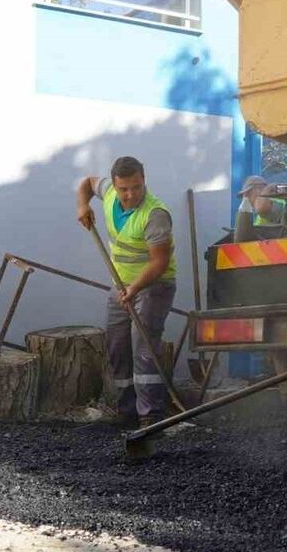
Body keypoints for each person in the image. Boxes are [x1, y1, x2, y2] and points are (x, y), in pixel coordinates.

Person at [77, 156, 177, 428]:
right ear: (116, 185)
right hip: (121, 286)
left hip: (154, 286)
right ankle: (126, 411)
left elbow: (160, 262)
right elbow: (87, 182)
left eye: (136, 187)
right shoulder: (109, 192)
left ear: (144, 180)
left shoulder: (155, 214)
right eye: (124, 189)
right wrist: (83, 204)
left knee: (143, 348)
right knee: (117, 345)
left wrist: (135, 288)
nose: (130, 194)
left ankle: (150, 416)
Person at [235, 175, 287, 241]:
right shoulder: (258, 218)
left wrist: (267, 189)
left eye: (248, 193)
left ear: (261, 188)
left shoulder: (274, 200)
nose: (246, 198)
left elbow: (261, 207)